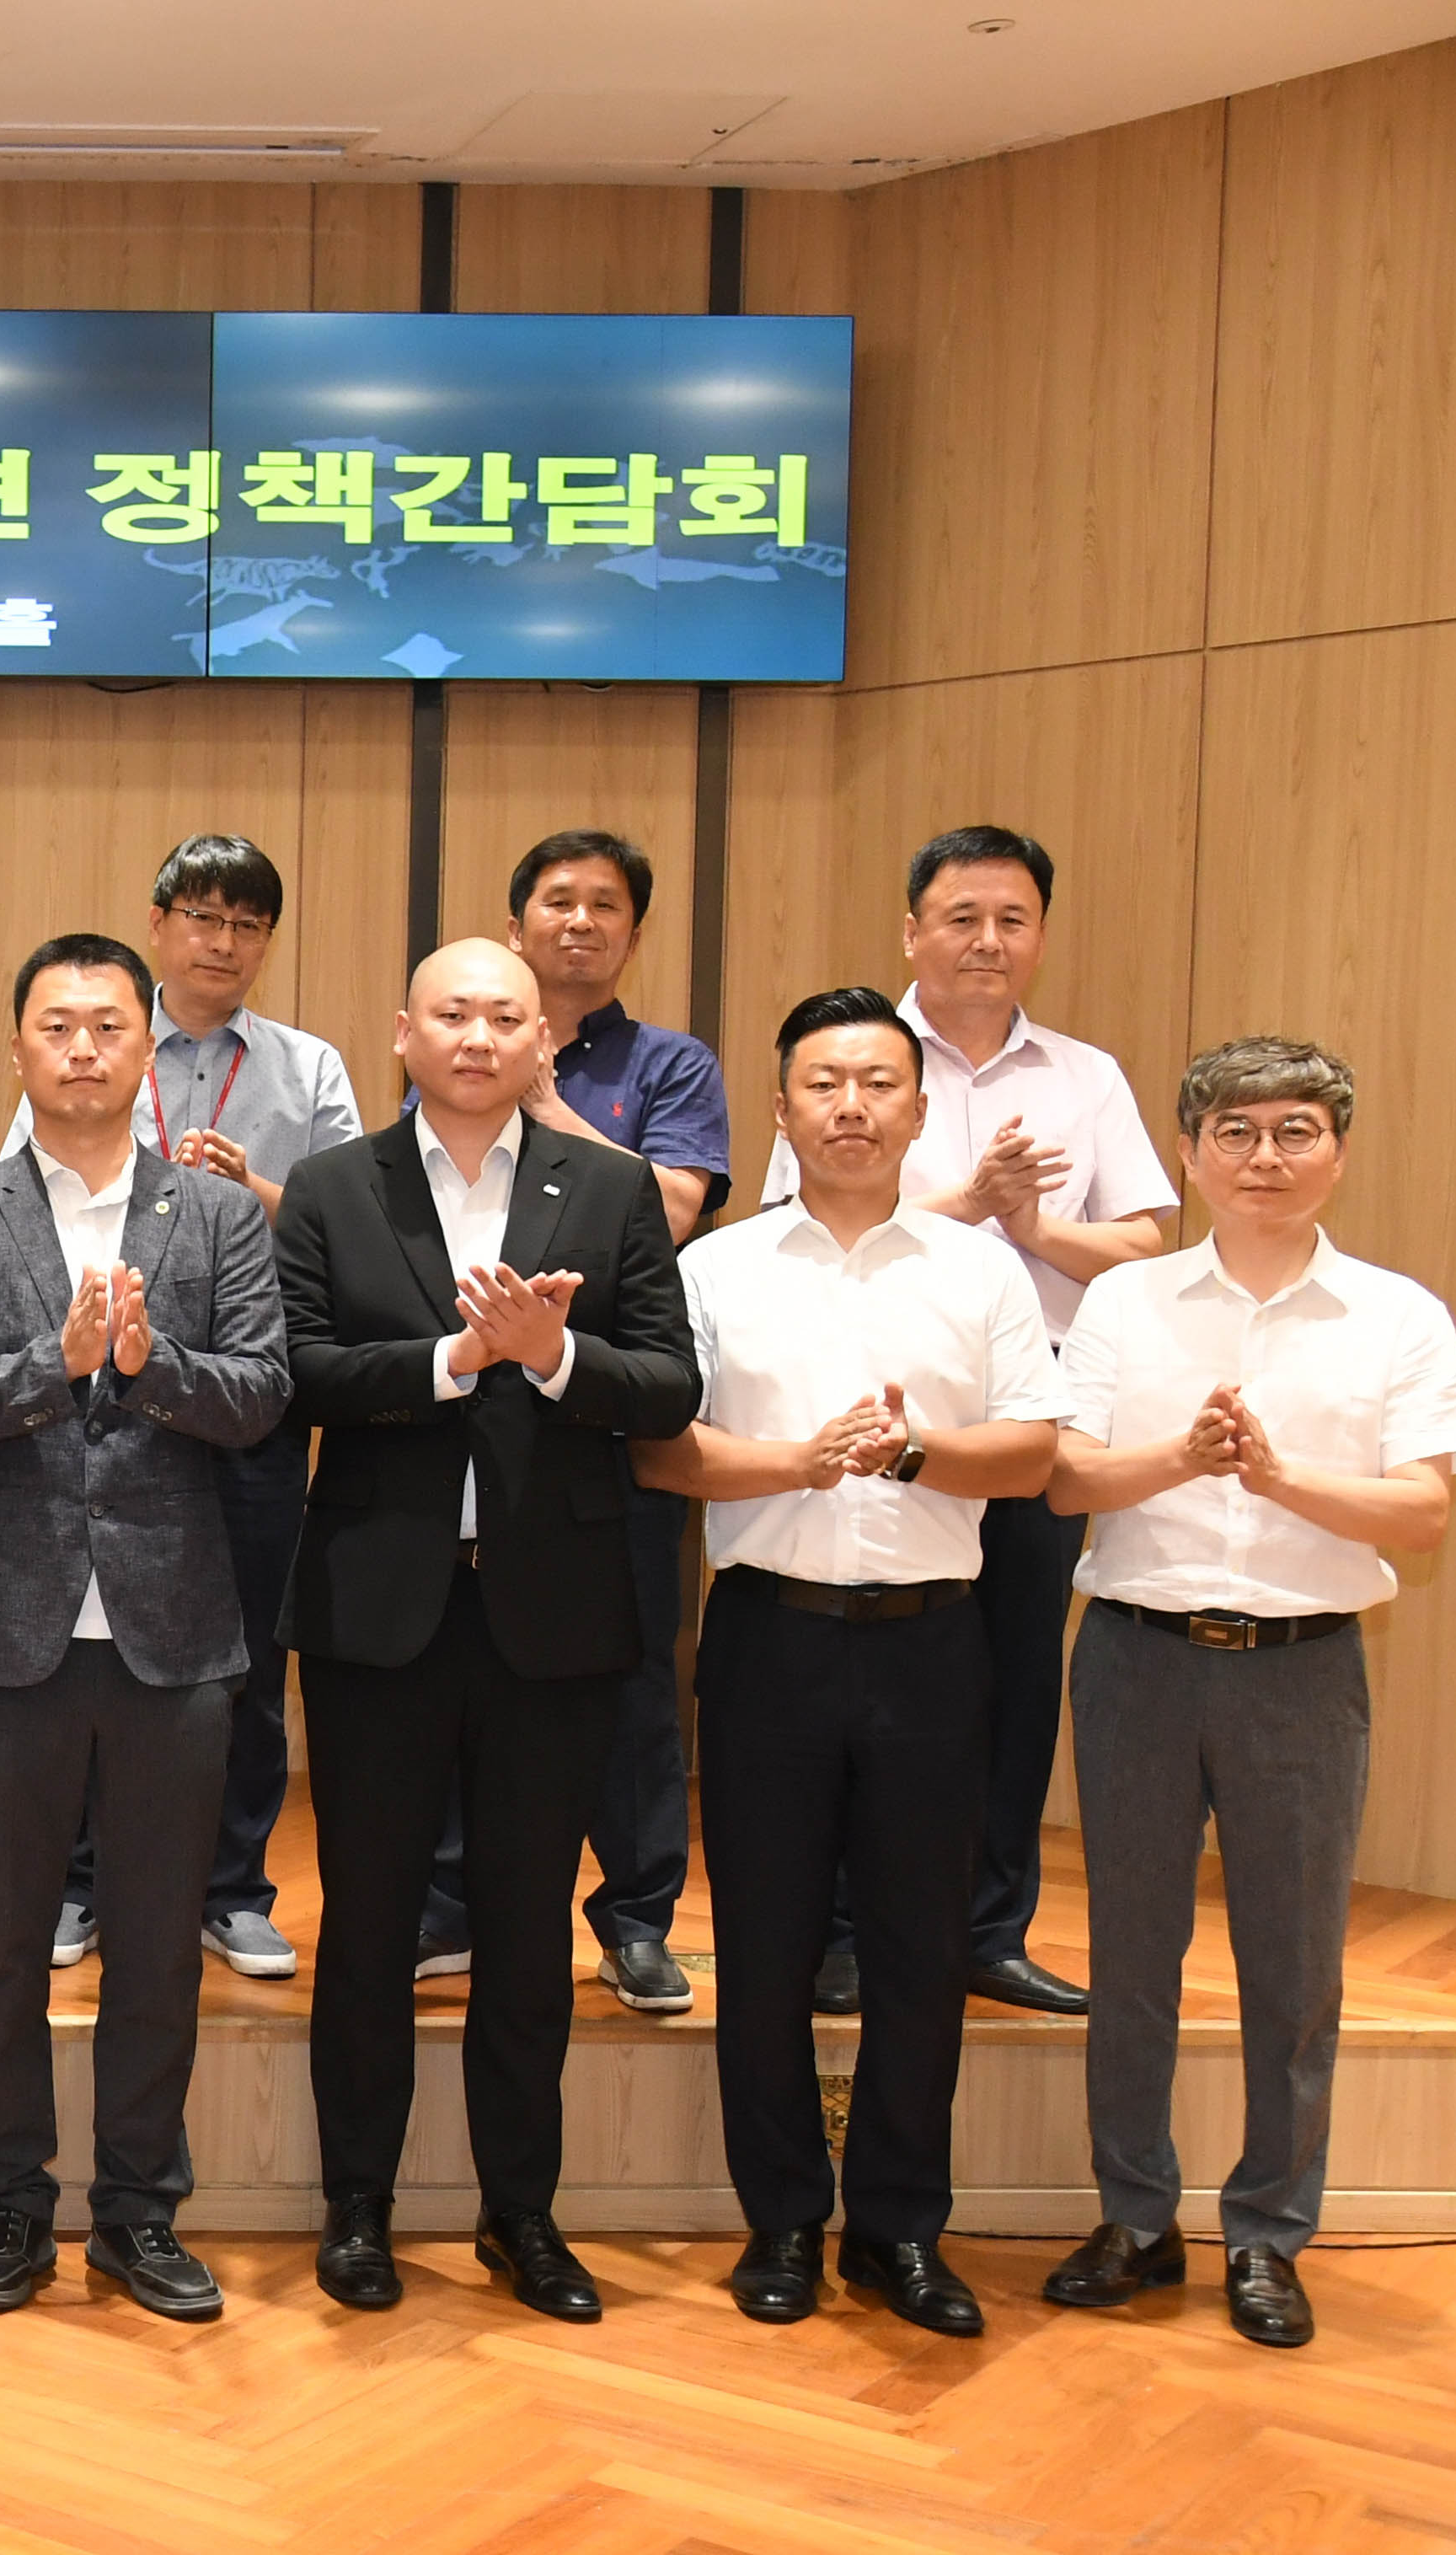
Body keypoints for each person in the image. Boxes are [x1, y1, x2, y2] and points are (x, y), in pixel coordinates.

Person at [274, 940, 700, 2322]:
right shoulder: (339, 1188)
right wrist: (453, 1360)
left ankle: (523, 2215)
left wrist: (552, 1357)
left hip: (553, 1620)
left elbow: (666, 1385)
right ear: (401, 1031)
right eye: (450, 1012)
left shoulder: (615, 1187)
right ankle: (356, 2210)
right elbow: (296, 1374)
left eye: (501, 1016)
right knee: (371, 1928)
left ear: (540, 1045)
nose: (474, 1035)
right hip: (378, 1615)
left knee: (523, 1935)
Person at [634, 991, 1068, 2337]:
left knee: (917, 1949)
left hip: (931, 1647)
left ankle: (895, 2230)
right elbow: (662, 1449)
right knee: (761, 1948)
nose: (851, 1106)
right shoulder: (716, 1267)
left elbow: (1036, 1453)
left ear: (916, 1110)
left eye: (877, 1083)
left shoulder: (978, 1270)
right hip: (769, 1635)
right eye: (822, 1082)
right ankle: (778, 2222)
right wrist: (803, 1463)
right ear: (781, 1110)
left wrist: (910, 1454)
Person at [1041, 1037, 1456, 2351]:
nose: (1264, 1158)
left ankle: (1266, 2234)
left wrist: (1279, 1480)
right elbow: (1066, 1481)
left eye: (1295, 1130)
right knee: (1128, 1958)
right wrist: (1183, 1455)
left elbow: (1422, 1513)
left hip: (1301, 1673)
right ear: (1187, 1155)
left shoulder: (1396, 1314)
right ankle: (1133, 2217)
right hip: (1134, 1658)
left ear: (1337, 1151)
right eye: (1233, 1133)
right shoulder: (1126, 1305)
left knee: (1290, 1972)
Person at [0, 939, 289, 2322]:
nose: (79, 1048)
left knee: (156, 1936)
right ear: (16, 1048)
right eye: (54, 1025)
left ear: (144, 1050)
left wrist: (146, 1363)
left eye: (105, 1026)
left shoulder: (218, 1214)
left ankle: (138, 2210)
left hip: (173, 1631)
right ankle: (6, 2206)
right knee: (2, 1936)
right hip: (1, 1631)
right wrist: (53, 1367)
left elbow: (255, 1398)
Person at [763, 824, 1173, 2017]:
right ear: (911, 931)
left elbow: (1144, 1242)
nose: (986, 940)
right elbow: (807, 1213)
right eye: (960, 917)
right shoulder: (852, 1056)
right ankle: (843, 1933)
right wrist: (972, 1204)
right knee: (850, 1682)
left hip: (1023, 1420)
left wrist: (1035, 1232)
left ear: (1038, 935)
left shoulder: (1083, 1076)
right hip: (849, 1423)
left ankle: (989, 1926)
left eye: (1011, 919)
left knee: (1005, 1681)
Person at [9, 838, 364, 1986]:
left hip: (241, 1391)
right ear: (159, 923)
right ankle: (79, 1881)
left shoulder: (307, 1068)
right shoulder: (91, 1035)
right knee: (81, 1647)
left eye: (246, 924)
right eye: (202, 916)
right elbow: (13, 1210)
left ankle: (231, 1889)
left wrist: (248, 1189)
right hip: (96, 1400)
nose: (220, 942)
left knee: (241, 1659)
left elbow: (351, 1231)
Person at [415, 832, 732, 2017]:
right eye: (556, 900)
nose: (580, 922)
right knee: (455, 1667)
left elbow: (676, 1208)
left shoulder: (667, 1064)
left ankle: (637, 1915)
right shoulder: (459, 1038)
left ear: (634, 933)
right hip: (463, 1431)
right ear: (514, 923)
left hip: (607, 1423)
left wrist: (543, 1106)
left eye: (606, 906)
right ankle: (448, 1904)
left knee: (634, 1679)